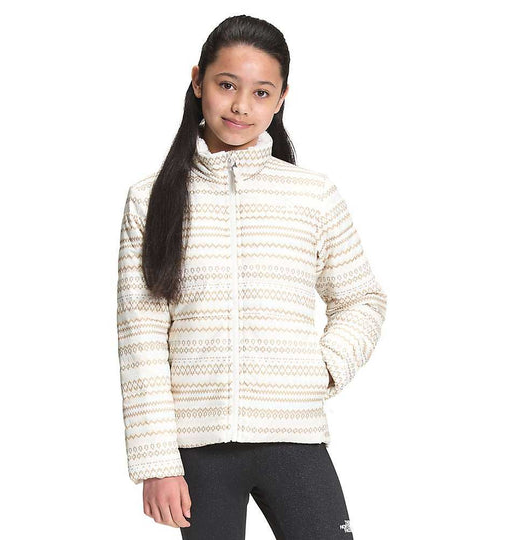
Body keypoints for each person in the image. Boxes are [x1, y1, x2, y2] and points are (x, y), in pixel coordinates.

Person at [116, 14, 387, 540]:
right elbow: (140, 336)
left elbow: (362, 299)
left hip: (293, 436)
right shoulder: (150, 199)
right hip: (197, 449)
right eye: (227, 85)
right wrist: (156, 461)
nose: (242, 106)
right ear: (198, 82)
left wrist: (323, 369)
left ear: (281, 98)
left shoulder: (312, 195)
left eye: (261, 92)